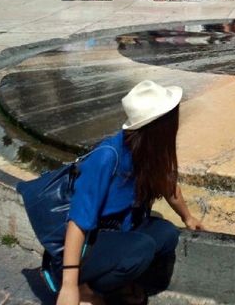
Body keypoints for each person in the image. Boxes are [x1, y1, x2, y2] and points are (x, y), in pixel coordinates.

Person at [47, 80, 202, 305]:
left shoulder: (149, 150)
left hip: (122, 232)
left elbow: (168, 186)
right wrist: (69, 286)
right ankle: (85, 289)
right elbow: (78, 221)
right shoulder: (107, 157)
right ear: (160, 126)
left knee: (167, 234)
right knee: (141, 249)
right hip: (91, 242)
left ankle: (118, 282)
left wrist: (188, 217)